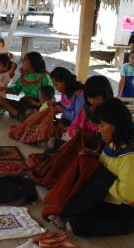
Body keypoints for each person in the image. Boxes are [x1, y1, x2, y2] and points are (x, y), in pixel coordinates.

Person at [49, 98, 134, 237]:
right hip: (104, 200)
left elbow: (128, 196)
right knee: (66, 202)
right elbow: (109, 165)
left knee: (74, 226)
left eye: (102, 125)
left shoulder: (130, 156)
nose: (99, 130)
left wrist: (99, 172)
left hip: (123, 212)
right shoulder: (114, 143)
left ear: (115, 125)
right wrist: (94, 157)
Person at [0, 51, 52, 120]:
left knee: (32, 111)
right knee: (1, 101)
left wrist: (36, 103)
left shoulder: (45, 77)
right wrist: (5, 90)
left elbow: (49, 97)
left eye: (25, 60)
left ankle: (22, 114)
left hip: (38, 105)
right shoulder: (24, 76)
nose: (22, 63)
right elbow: (16, 90)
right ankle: (20, 115)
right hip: (24, 102)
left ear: (33, 63)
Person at [67, 75, 113, 140]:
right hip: (82, 143)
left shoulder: (112, 111)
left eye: (97, 98)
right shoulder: (86, 108)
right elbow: (73, 126)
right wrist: (74, 131)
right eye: (89, 97)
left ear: (106, 95)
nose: (92, 101)